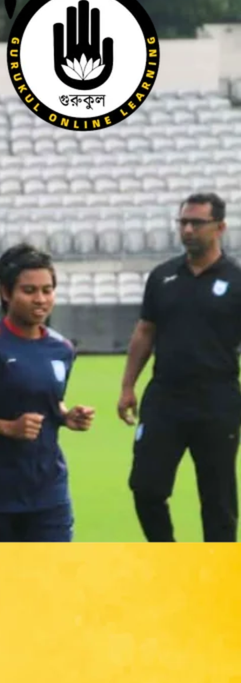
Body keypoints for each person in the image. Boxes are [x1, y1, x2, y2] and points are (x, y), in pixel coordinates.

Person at [120, 192, 241, 542]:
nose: (188, 230)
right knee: (145, 487)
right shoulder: (162, 277)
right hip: (165, 398)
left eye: (196, 223)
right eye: (183, 223)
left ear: (220, 227)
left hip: (217, 399)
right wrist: (128, 385)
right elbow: (145, 331)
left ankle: (217, 578)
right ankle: (168, 558)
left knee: (217, 499)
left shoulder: (235, 280)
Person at [0, 245, 93, 541]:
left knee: (50, 580)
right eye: (30, 290)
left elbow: (47, 400)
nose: (41, 299)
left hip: (48, 489)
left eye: (47, 290)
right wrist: (8, 428)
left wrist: (66, 415)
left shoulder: (62, 349)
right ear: (6, 293)